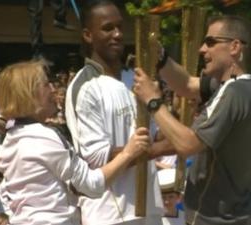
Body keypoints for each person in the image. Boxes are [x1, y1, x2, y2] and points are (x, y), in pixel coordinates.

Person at [134, 15, 251, 224]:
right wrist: (161, 57)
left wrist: (153, 102)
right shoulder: (236, 87)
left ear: (235, 47)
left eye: (210, 42)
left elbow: (187, 144)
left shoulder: (235, 92)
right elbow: (185, 84)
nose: (202, 49)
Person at [0, 59, 150, 225]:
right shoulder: (43, 136)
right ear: (29, 94)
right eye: (46, 85)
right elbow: (91, 185)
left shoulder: (9, 141)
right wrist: (128, 152)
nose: (53, 90)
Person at [65, 1, 163, 224]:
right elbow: (96, 158)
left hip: (149, 206)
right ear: (88, 35)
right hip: (109, 213)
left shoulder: (136, 80)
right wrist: (159, 149)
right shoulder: (84, 87)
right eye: (108, 28)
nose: (118, 34)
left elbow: (154, 134)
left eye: (120, 27)